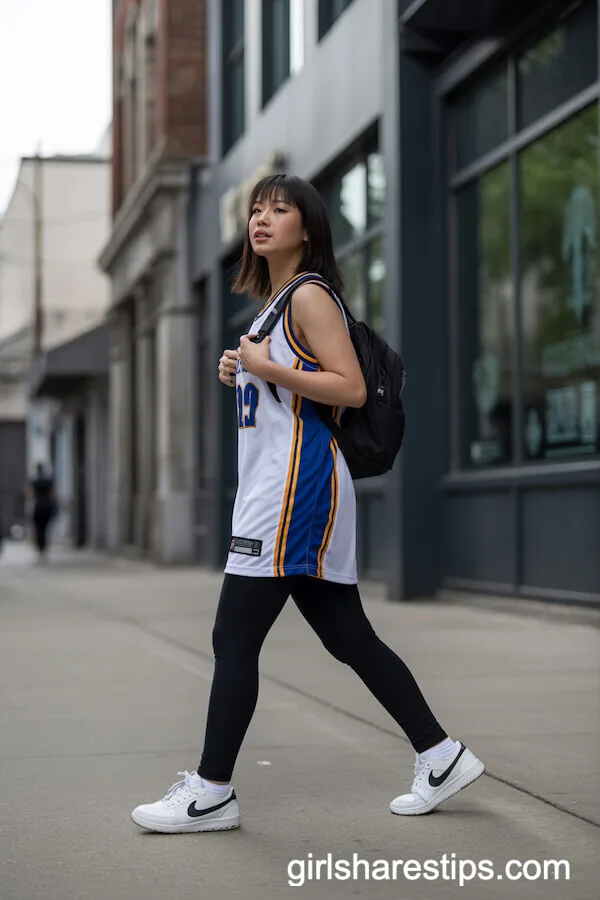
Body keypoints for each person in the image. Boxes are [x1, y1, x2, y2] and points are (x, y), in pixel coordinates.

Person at [131, 174, 485, 834]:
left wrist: (267, 369)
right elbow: (295, 391)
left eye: (280, 209)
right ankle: (442, 754)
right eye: (256, 209)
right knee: (347, 635)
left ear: (308, 226)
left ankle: (211, 791)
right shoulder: (276, 304)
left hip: (294, 494)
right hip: (281, 491)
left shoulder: (311, 295)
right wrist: (245, 371)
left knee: (233, 636)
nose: (262, 219)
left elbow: (349, 388)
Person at [27, 462, 57, 562]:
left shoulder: (34, 481)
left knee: (38, 529)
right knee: (45, 529)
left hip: (38, 506)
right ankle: (44, 548)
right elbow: (53, 494)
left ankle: (40, 549)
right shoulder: (48, 481)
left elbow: (30, 494)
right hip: (47, 506)